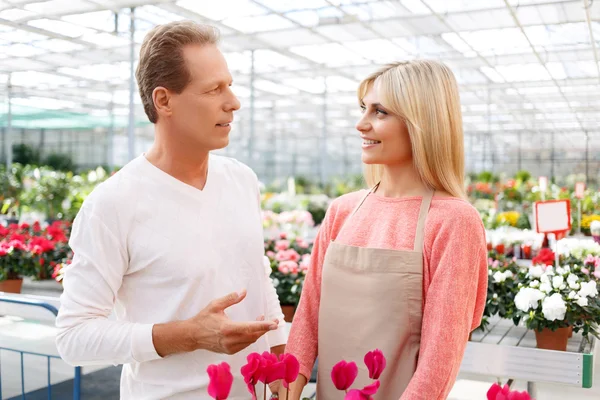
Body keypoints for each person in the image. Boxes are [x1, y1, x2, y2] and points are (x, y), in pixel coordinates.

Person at [55, 21, 286, 399]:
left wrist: (279, 359)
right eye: (214, 89)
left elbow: (256, 275)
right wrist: (189, 335)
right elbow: (74, 337)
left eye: (229, 84)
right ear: (164, 101)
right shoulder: (113, 203)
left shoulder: (242, 179)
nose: (234, 101)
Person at [282, 60, 488, 399]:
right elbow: (308, 314)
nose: (361, 124)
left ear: (422, 123)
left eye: (380, 112)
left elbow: (440, 359)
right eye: (364, 108)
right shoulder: (342, 211)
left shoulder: (453, 222)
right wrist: (290, 380)